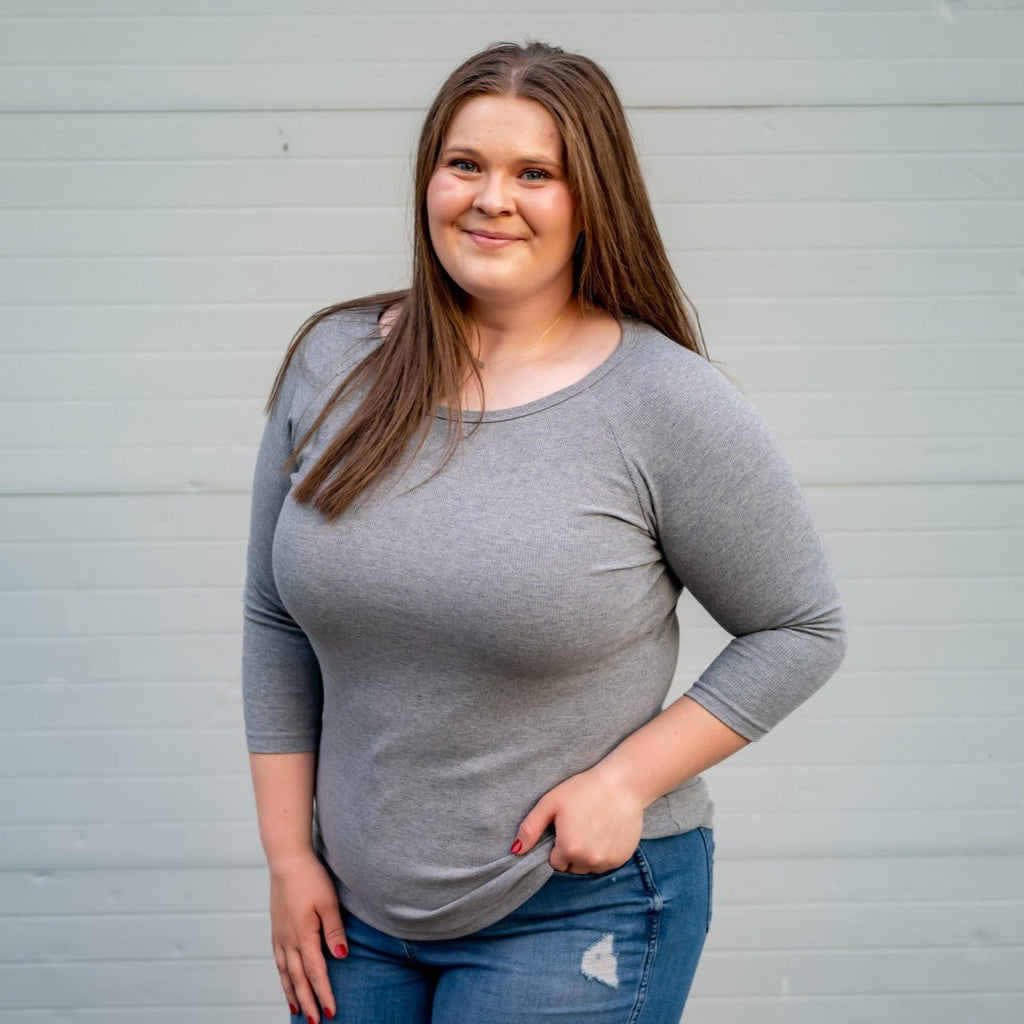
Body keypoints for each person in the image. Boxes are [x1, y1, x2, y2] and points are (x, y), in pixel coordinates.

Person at [242, 40, 847, 1024]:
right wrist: (286, 855)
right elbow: (273, 616)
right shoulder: (334, 361)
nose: (492, 200)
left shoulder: (663, 402)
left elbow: (801, 628)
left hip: (575, 903)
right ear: (428, 178)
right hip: (351, 912)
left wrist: (624, 781)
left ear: (592, 197)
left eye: (536, 173)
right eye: (465, 164)